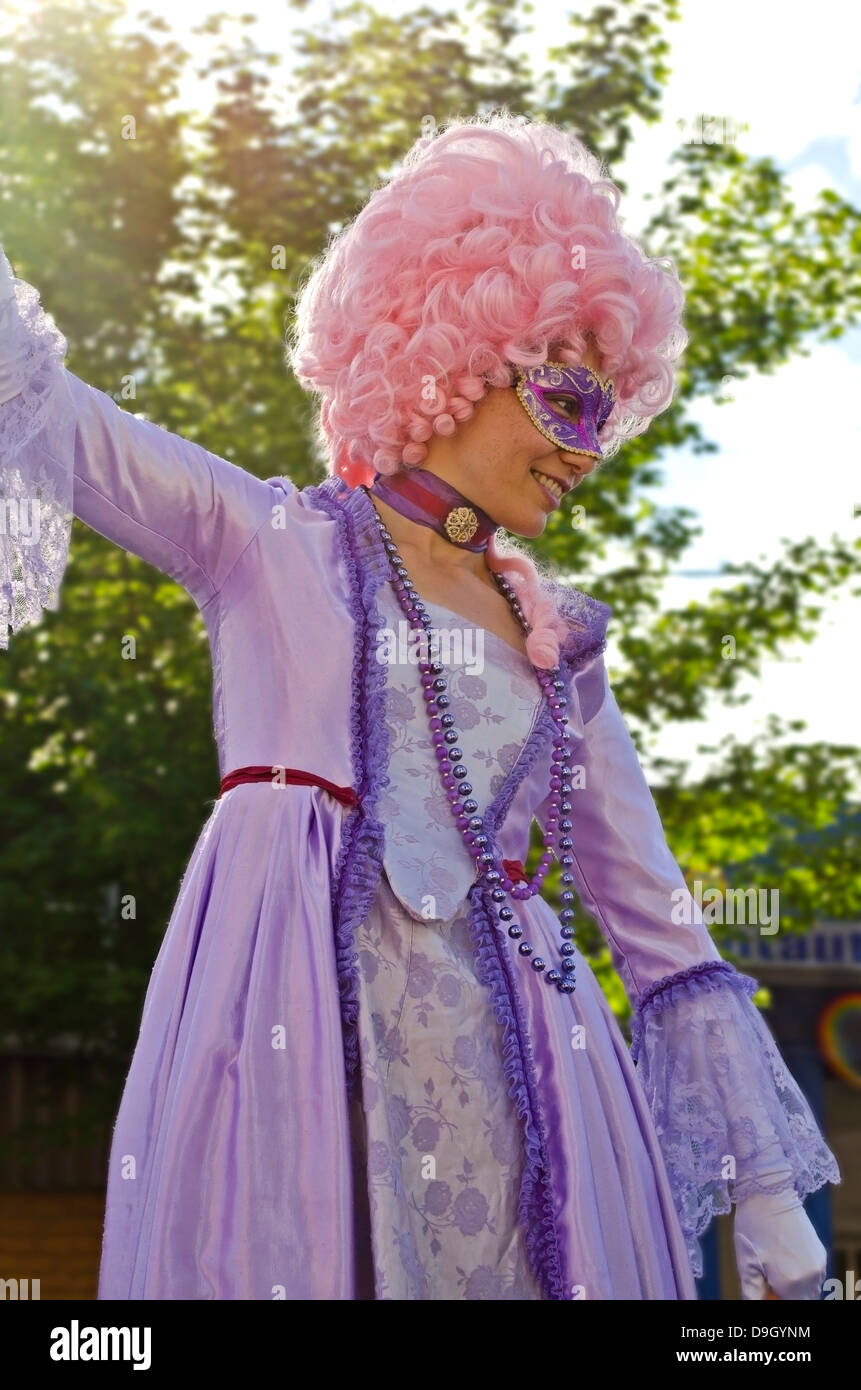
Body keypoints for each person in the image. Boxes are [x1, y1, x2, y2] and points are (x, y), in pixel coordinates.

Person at [0, 111, 839, 1301]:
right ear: (455, 361)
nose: (592, 449)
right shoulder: (267, 542)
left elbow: (653, 914)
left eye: (610, 409)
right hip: (301, 1042)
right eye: (570, 401)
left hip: (540, 1072)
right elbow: (59, 414)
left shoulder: (564, 641)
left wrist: (762, 1183)